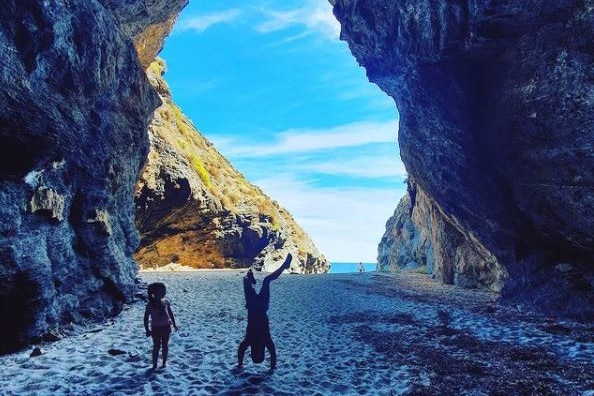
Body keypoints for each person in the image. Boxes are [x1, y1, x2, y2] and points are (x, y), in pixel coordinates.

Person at [237, 253, 292, 373]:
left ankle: (283, 266)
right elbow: (241, 350)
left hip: (260, 307)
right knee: (252, 280)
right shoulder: (252, 340)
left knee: (266, 281)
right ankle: (251, 279)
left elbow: (272, 353)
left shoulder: (262, 341)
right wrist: (240, 363)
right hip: (253, 307)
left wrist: (272, 367)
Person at [144, 282, 179, 370]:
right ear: (154, 293)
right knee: (156, 346)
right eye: (162, 291)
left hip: (166, 326)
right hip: (155, 328)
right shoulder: (150, 304)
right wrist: (147, 330)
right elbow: (145, 317)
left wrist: (174, 324)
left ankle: (164, 362)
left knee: (165, 345)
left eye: (165, 291)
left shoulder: (166, 302)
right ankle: (155, 364)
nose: (164, 293)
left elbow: (171, 314)